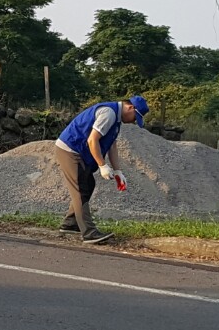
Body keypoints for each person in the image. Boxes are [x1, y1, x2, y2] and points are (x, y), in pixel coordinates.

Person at [55, 95, 150, 244]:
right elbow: (92, 140)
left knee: (88, 184)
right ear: (130, 107)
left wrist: (118, 170)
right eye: (134, 117)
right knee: (80, 189)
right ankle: (89, 233)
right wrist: (102, 165)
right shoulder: (109, 113)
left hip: (78, 151)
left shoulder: (116, 120)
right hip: (70, 149)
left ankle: (70, 224)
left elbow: (111, 145)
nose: (133, 121)